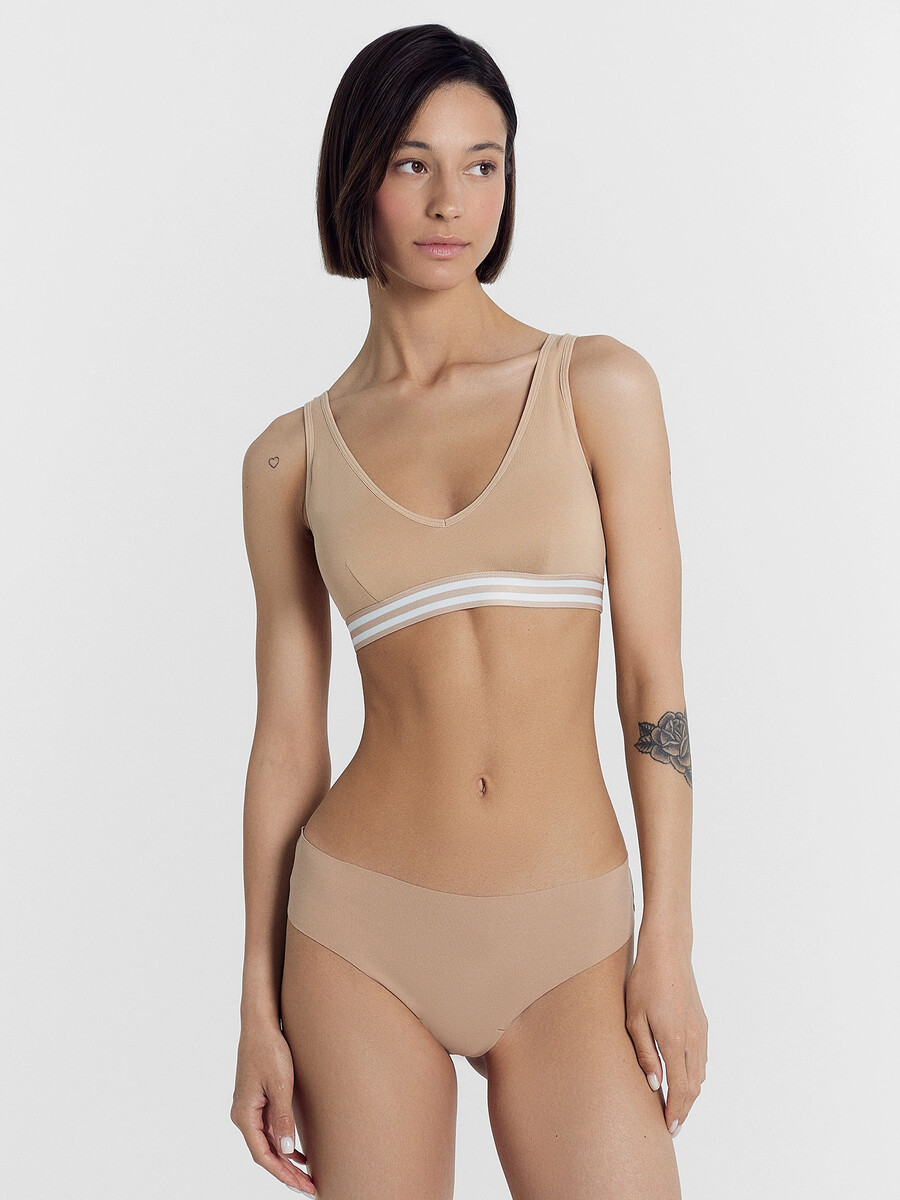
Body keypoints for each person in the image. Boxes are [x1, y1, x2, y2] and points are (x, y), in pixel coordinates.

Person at [230, 23, 707, 1200]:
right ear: (358, 179)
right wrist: (255, 1002)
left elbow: (653, 686)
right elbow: (288, 741)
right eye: (414, 163)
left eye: (482, 164)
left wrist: (670, 941)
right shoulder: (289, 460)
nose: (453, 202)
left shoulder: (598, 387)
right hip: (358, 935)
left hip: (571, 940)